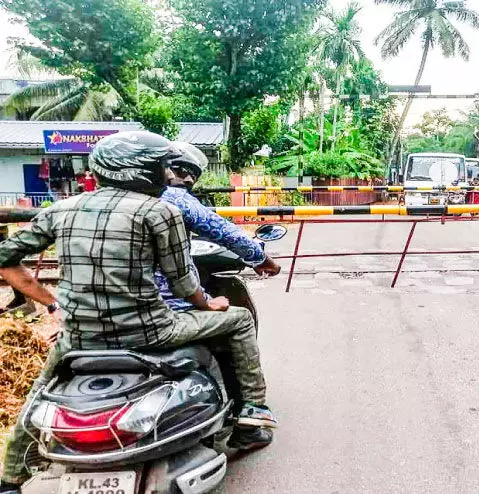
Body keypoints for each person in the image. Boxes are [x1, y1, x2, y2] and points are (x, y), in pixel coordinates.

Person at [0, 132, 274, 494]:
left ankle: (11, 477)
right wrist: (211, 304)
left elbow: (6, 258)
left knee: (40, 390)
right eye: (163, 167)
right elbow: (182, 282)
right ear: (140, 170)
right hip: (151, 330)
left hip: (79, 337)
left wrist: (52, 303)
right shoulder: (160, 211)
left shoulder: (62, 209)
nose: (170, 175)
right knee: (237, 320)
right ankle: (252, 415)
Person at [157, 141, 281, 314]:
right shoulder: (173, 197)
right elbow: (223, 230)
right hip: (167, 306)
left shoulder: (112, 200)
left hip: (116, 309)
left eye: (193, 175)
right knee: (241, 319)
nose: (189, 179)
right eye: (181, 171)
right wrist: (261, 259)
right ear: (163, 169)